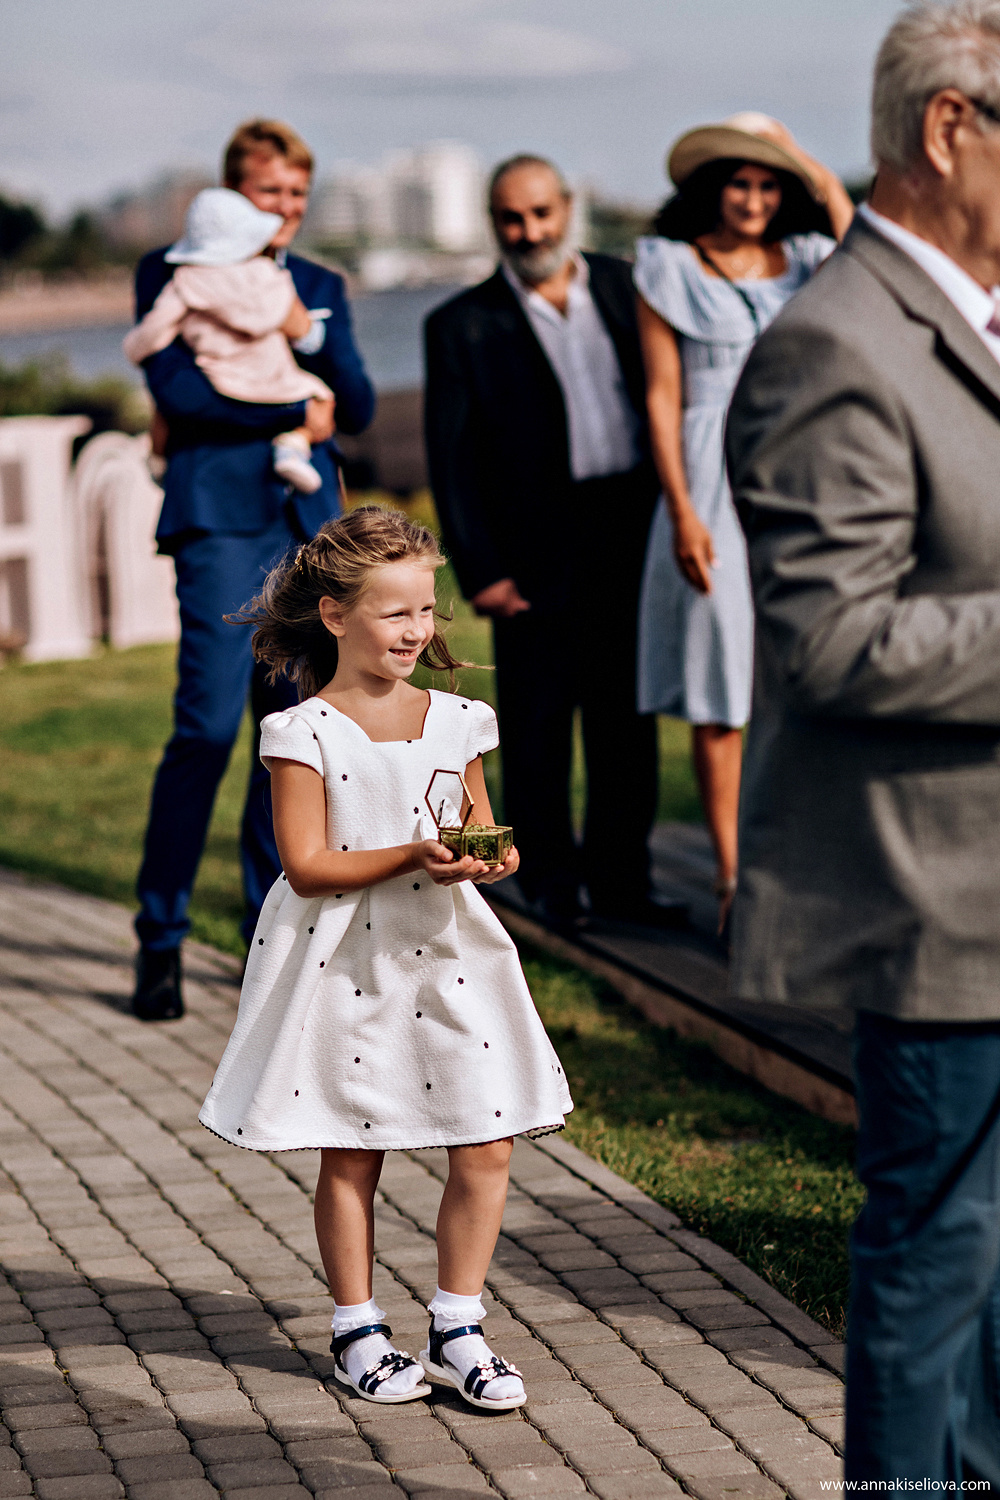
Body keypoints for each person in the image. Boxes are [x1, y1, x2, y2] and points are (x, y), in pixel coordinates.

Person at [726, 0, 1000, 1483]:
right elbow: (833, 643)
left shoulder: (960, 322)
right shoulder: (832, 343)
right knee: (936, 1254)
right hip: (935, 896)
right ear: (949, 129)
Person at [199, 506, 572, 1409]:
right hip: (343, 966)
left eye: (426, 610)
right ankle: (356, 1330)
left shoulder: (458, 719)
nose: (418, 630)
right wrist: (412, 852)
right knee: (353, 1152)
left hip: (447, 955)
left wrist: (493, 851)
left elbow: (472, 817)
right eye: (395, 612)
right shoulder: (304, 733)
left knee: (486, 1140)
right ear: (334, 615)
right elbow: (310, 865)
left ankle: (458, 1325)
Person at [130, 119, 375, 1022]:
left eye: (299, 198)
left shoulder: (319, 286)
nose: (288, 212)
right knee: (203, 728)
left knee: (292, 743)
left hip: (306, 534)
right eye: (272, 194)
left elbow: (358, 401)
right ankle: (159, 936)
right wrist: (292, 404)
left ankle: (269, 944)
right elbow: (177, 394)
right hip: (219, 528)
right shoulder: (170, 270)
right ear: (235, 195)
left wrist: (308, 357)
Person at [425, 154, 670, 928]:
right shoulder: (459, 324)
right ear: (495, 223)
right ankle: (554, 889)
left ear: (568, 207)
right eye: (511, 218)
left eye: (541, 213)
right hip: (529, 551)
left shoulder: (628, 289)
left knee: (626, 724)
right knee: (536, 727)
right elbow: (451, 459)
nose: (529, 231)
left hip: (630, 529)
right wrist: (481, 570)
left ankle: (625, 885)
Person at [634, 115, 853, 926]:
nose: (755, 197)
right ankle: (734, 878)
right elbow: (662, 395)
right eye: (740, 180)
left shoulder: (806, 262)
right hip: (708, 473)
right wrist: (684, 512)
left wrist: (799, 153)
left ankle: (799, 866)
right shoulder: (665, 266)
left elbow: (864, 241)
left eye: (768, 183)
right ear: (710, 189)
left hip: (801, 470)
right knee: (721, 685)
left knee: (804, 676)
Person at [124, 188, 334, 496]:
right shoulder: (268, 275)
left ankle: (157, 459)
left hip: (222, 379)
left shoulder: (186, 280)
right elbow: (293, 321)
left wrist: (134, 348)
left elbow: (155, 332)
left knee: (162, 410)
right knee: (323, 397)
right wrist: (310, 331)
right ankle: (293, 446)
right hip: (278, 380)